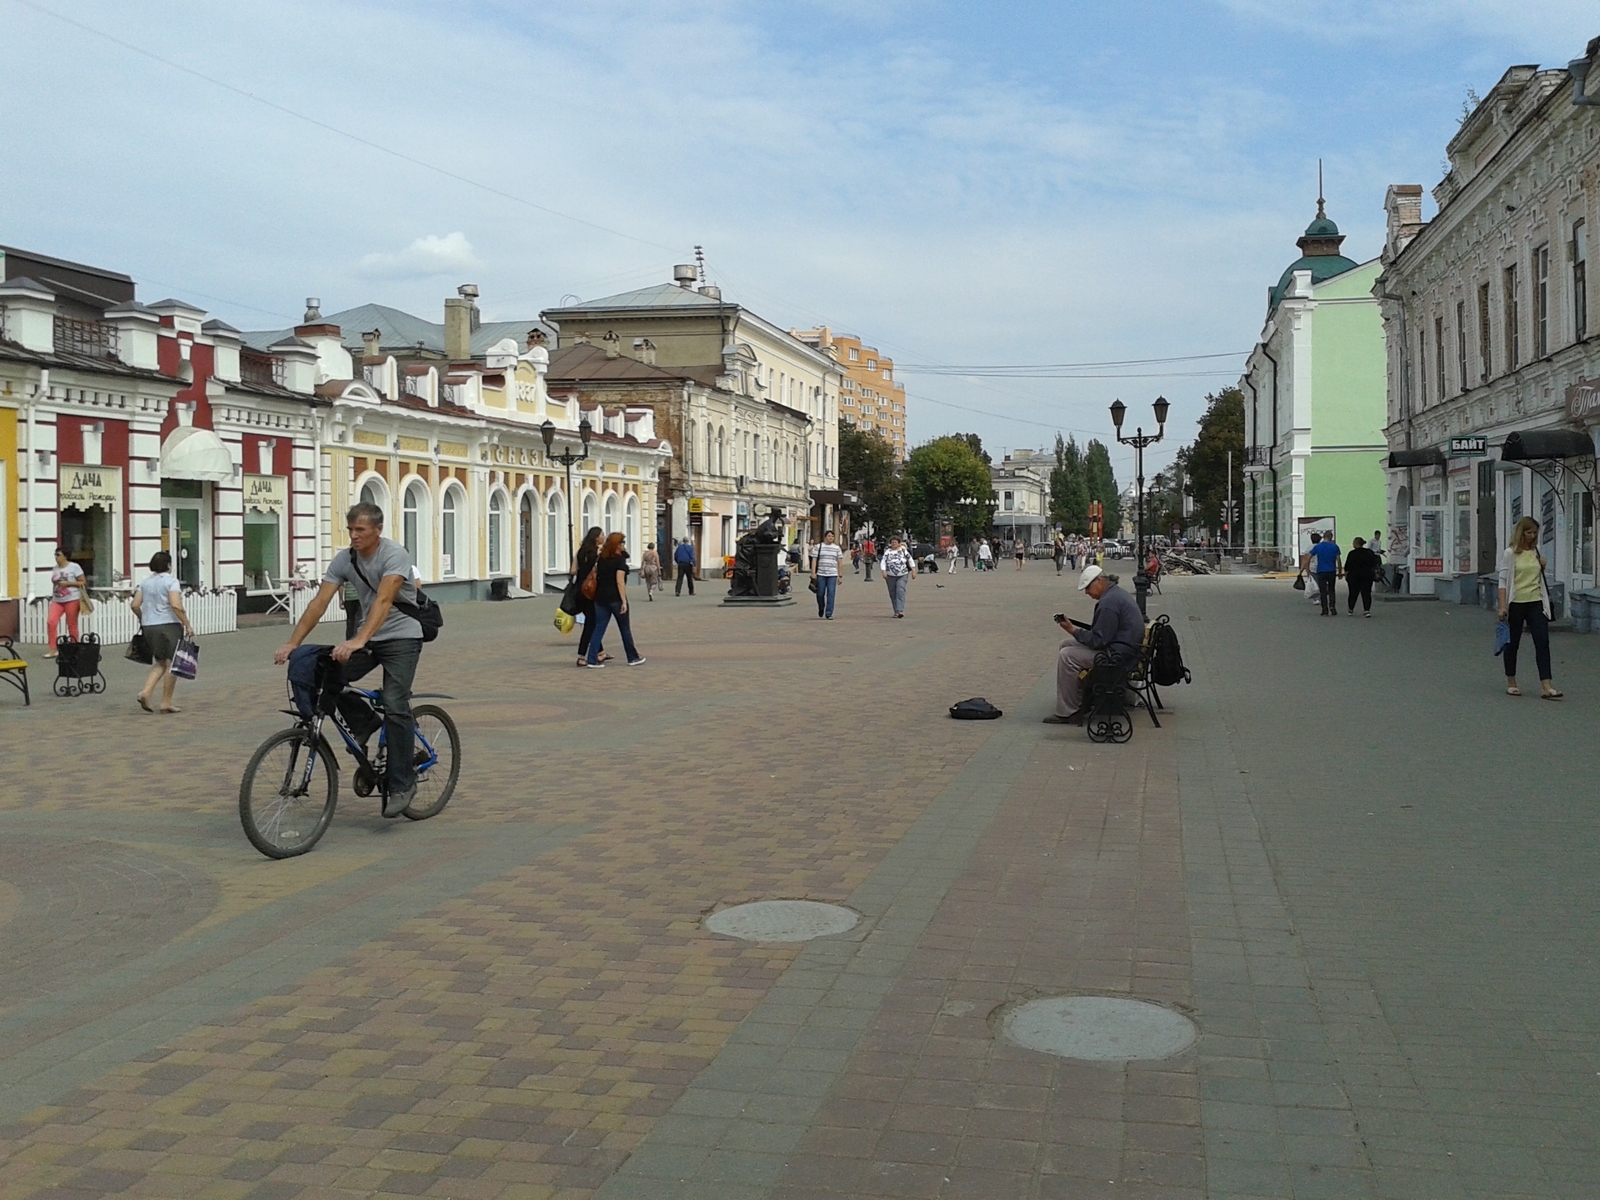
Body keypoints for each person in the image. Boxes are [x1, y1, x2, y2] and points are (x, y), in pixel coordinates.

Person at [275, 502, 426, 816]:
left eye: (361, 530)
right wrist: (293, 643)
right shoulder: (345, 559)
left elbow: (384, 600)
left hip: (402, 638)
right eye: (351, 530)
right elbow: (319, 602)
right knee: (326, 675)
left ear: (377, 531)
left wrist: (358, 639)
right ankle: (365, 721)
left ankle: (402, 784)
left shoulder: (394, 555)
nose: (354, 536)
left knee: (396, 704)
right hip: (367, 638)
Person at [1045, 565, 1145, 724]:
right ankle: (1080, 699)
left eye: (1087, 588)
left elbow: (1099, 640)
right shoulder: (1115, 595)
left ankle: (1069, 712)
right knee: (1065, 645)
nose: (1086, 593)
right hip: (1124, 649)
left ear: (1099, 580)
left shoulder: (1109, 603)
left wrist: (1073, 630)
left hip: (1117, 656)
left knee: (1067, 656)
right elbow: (1102, 634)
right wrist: (1076, 631)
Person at [1498, 516, 1561, 699]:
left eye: (1535, 533)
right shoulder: (1510, 553)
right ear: (1521, 532)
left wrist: (1543, 565)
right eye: (1529, 532)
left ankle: (1546, 685)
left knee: (1542, 642)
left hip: (1536, 602)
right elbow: (1502, 581)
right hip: (1516, 602)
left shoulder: (1536, 552)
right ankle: (1511, 681)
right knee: (1513, 643)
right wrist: (1502, 606)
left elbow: (1538, 577)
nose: (1532, 536)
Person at [130, 550, 193, 714]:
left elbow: (135, 605)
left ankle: (146, 692)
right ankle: (166, 702)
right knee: (172, 664)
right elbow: (176, 605)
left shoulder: (145, 582)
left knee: (160, 661)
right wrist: (187, 624)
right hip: (169, 625)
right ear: (168, 565)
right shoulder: (171, 582)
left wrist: (143, 618)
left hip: (149, 626)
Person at [585, 532, 645, 667]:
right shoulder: (619, 561)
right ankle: (632, 657)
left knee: (599, 628)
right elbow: (620, 582)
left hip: (600, 598)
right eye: (622, 542)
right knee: (624, 628)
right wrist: (624, 601)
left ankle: (592, 659)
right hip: (615, 599)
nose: (624, 545)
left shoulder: (601, 558)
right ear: (616, 545)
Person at [45, 546, 89, 656]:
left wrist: (68, 584)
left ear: (65, 556)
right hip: (57, 599)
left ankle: (73, 647)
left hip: (72, 599)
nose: (56, 557)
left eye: (58, 555)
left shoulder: (74, 567)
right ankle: (53, 648)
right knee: (51, 622)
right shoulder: (55, 568)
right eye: (55, 555)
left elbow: (83, 582)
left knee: (71, 623)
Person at [572, 526, 606, 665]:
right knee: (591, 623)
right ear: (596, 537)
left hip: (579, 591)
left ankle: (600, 652)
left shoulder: (580, 552)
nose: (604, 537)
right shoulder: (597, 553)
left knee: (592, 620)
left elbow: (573, 571)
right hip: (591, 592)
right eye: (602, 534)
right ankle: (581, 656)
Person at [1304, 531, 1342, 616]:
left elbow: (1308, 558)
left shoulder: (1318, 547)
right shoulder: (1335, 546)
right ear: (1331, 537)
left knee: (1323, 591)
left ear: (1323, 537)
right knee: (1331, 590)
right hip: (1331, 571)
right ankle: (1332, 606)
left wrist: (1307, 569)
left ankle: (1325, 610)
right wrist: (1339, 571)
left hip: (1321, 571)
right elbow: (1338, 560)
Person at [1343, 537, 1380, 617]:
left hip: (1354, 576)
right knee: (1366, 593)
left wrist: (1346, 576)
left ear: (1356, 543)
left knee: (1353, 593)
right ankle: (1366, 610)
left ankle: (1351, 609)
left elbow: (1347, 567)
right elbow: (1374, 564)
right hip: (1367, 575)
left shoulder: (1352, 553)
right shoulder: (1369, 552)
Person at [881, 534, 915, 617]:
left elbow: (910, 560)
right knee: (893, 593)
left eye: (895, 542)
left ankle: (900, 610)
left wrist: (914, 570)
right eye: (892, 542)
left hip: (902, 574)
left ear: (899, 543)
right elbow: (883, 561)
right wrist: (883, 571)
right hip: (890, 575)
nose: (894, 544)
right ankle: (896, 611)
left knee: (900, 590)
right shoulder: (887, 552)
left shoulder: (903, 551)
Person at [812, 529, 843, 619]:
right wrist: (813, 573)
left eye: (832, 536)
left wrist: (840, 576)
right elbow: (814, 560)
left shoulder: (836, 548)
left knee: (831, 593)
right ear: (825, 537)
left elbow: (840, 562)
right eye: (829, 536)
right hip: (821, 573)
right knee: (820, 593)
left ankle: (829, 613)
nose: (831, 538)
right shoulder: (819, 546)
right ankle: (821, 607)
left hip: (832, 574)